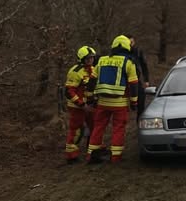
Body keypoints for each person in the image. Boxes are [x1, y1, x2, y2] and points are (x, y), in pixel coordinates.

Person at [87, 35, 139, 164]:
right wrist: (134, 102)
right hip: (119, 103)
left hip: (102, 102)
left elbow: (92, 80)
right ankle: (115, 157)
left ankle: (91, 155)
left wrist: (90, 97)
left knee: (98, 127)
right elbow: (133, 84)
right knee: (118, 128)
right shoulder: (128, 62)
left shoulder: (102, 60)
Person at [64, 45, 97, 163]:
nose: (91, 60)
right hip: (77, 107)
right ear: (82, 59)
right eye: (88, 58)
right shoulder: (75, 71)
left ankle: (93, 151)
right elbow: (69, 91)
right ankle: (71, 155)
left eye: (92, 58)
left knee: (95, 127)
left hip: (89, 105)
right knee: (76, 130)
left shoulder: (93, 69)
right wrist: (81, 104)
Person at [129, 37, 151, 121]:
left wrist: (146, 80)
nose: (130, 44)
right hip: (124, 80)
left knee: (141, 99)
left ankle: (140, 120)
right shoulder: (122, 53)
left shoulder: (137, 51)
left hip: (136, 79)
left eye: (132, 42)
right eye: (128, 42)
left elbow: (144, 65)